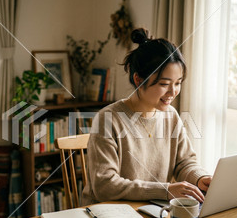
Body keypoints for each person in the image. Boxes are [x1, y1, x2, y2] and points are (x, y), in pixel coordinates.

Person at [81, 28, 212, 206]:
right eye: (164, 84)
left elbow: (184, 163)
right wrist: (164, 190)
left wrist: (199, 179)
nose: (173, 92)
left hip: (152, 211)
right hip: (108, 216)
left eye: (178, 83)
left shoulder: (171, 116)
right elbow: (105, 186)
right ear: (138, 80)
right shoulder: (108, 120)